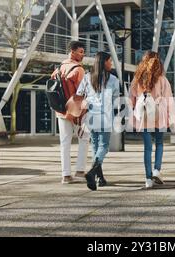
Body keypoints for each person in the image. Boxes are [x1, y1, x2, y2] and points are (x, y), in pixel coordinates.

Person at [129, 51, 175, 189]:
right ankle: (157, 170)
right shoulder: (162, 79)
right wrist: (172, 121)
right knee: (160, 143)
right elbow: (169, 101)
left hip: (143, 115)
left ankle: (148, 178)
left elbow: (130, 100)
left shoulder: (136, 79)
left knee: (147, 148)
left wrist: (131, 117)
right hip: (159, 115)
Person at [76, 51, 120, 191]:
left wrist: (88, 100)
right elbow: (116, 101)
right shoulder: (113, 79)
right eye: (110, 61)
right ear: (104, 62)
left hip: (91, 116)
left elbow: (79, 95)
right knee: (104, 147)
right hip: (105, 117)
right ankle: (92, 172)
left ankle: (99, 178)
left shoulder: (88, 77)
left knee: (95, 146)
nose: (111, 63)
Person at [51, 41, 89, 184]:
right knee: (84, 139)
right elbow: (82, 92)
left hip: (61, 111)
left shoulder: (58, 69)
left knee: (64, 142)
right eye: (80, 51)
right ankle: (80, 171)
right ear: (72, 51)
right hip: (76, 111)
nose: (83, 55)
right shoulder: (78, 69)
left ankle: (66, 175)